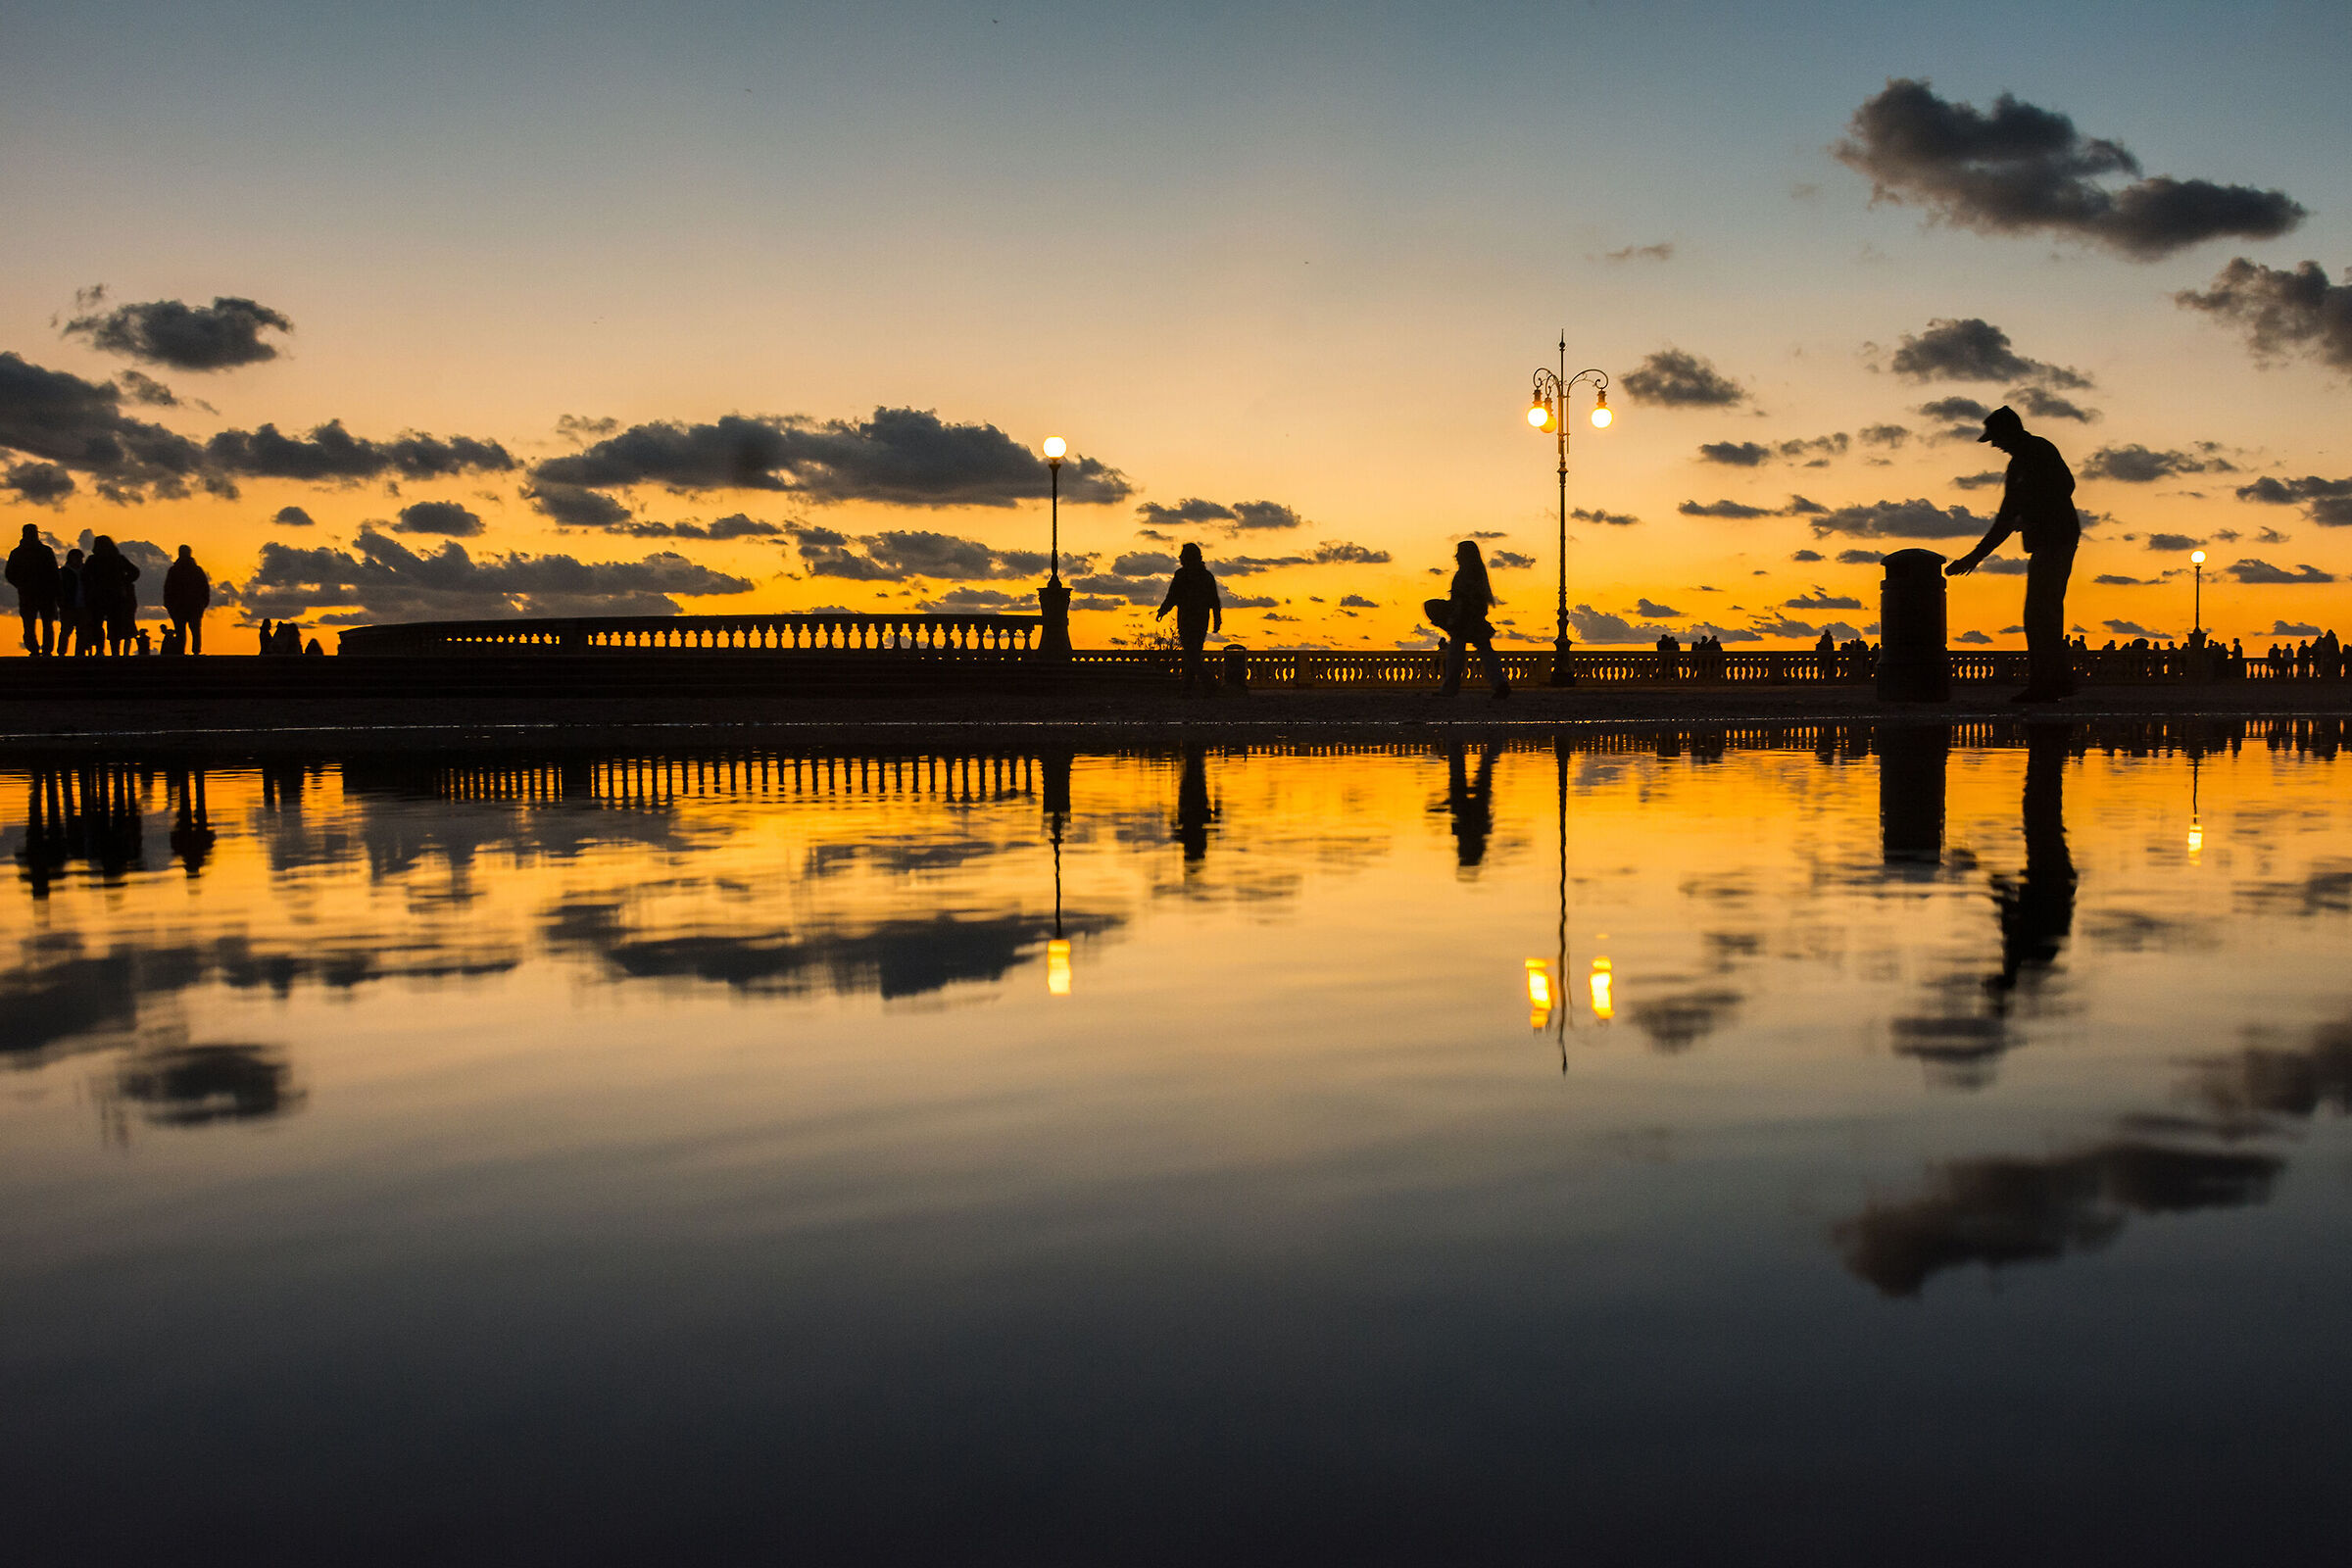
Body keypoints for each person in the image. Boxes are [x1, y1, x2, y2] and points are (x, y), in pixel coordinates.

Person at [1945, 405, 2080, 703]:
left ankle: (2047, 684)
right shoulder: (2018, 464)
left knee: (2039, 612)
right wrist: (1974, 557)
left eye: (1995, 437)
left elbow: (2065, 486)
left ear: (2009, 432)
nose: (1994, 444)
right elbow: (2005, 519)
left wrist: (2031, 515)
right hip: (2049, 540)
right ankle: (2056, 681)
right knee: (2043, 612)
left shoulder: (2039, 451)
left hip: (2056, 539)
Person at [1423, 540, 1508, 698]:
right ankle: (1500, 683)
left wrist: (1453, 619)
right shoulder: (1476, 575)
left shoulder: (1464, 575)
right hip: (1472, 619)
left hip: (1464, 620)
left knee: (1457, 653)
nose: (1455, 556)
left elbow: (1461, 600)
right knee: (1483, 651)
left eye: (1459, 553)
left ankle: (1451, 688)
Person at [1154, 543, 1222, 696]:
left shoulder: (1184, 575)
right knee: (1193, 654)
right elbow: (1214, 601)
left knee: (1192, 655)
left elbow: (1172, 596)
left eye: (1182, 555)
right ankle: (1188, 688)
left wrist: (1163, 610)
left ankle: (1209, 684)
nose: (1179, 558)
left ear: (1188, 557)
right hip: (1198, 619)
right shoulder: (1204, 576)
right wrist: (1217, 620)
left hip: (1189, 620)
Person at [7, 522, 61, 656]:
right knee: (40, 625)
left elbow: (9, 574)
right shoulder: (44, 551)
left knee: (32, 625)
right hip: (38, 594)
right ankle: (42, 650)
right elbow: (54, 573)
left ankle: (36, 650)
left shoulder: (17, 553)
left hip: (35, 594)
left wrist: (20, 585)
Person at [84, 535, 140, 656]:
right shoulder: (118, 559)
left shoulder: (92, 560)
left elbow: (84, 577)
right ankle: (115, 651)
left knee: (97, 624)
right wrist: (124, 581)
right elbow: (135, 572)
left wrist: (91, 587)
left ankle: (100, 650)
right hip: (116, 596)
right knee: (115, 624)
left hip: (98, 596)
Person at [163, 545, 210, 655]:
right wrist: (203, 603)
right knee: (194, 630)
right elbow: (205, 589)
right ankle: (195, 651)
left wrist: (169, 604)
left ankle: (181, 652)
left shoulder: (174, 570)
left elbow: (167, 589)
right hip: (192, 606)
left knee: (181, 631)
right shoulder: (197, 570)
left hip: (180, 606)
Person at [58, 548, 91, 656]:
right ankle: (61, 653)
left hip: (83, 606)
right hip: (68, 607)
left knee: (82, 632)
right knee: (65, 631)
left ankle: (80, 654)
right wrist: (61, 603)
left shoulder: (86, 572)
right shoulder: (63, 572)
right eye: (76, 558)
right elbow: (57, 589)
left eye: (80, 558)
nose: (78, 560)